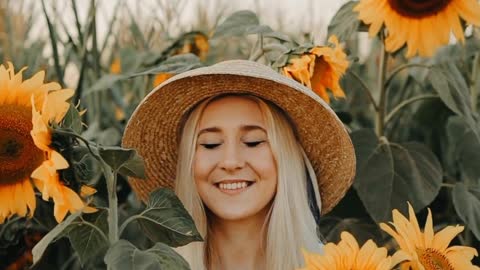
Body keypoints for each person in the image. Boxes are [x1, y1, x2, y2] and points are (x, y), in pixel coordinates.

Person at [122, 60, 356, 270]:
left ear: (285, 158)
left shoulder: (333, 265)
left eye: (253, 142)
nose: (231, 162)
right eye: (211, 144)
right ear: (188, 165)